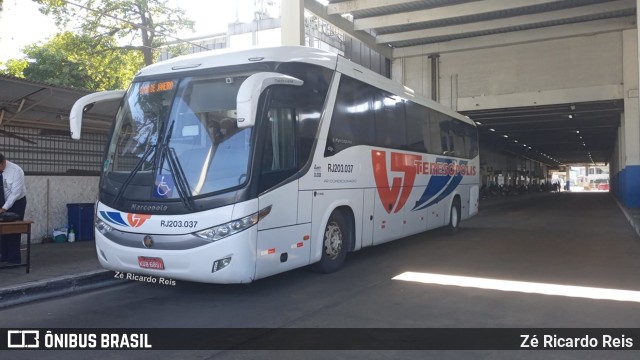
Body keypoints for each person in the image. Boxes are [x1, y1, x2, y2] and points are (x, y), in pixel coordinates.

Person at [0, 153, 27, 264]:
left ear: (3, 162)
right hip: (2, 200)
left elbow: (15, 193)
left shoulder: (16, 171)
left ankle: (14, 258)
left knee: (14, 230)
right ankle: (3, 255)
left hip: (16, 203)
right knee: (1, 230)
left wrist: (4, 208)